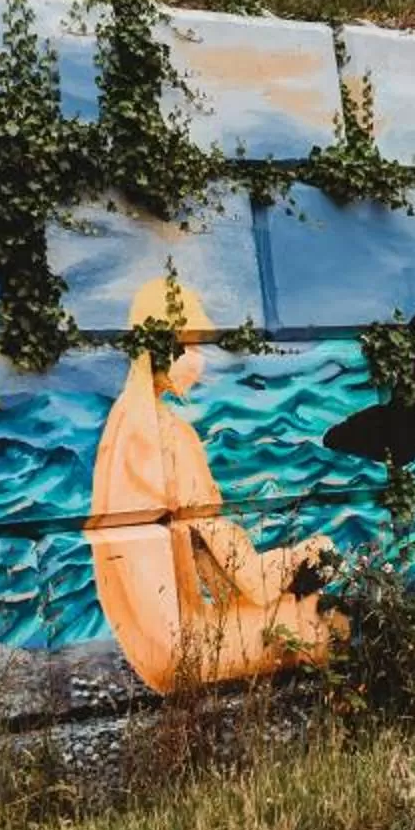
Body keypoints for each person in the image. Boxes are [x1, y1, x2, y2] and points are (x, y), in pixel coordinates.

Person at [88, 279, 337, 693]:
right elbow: (246, 575)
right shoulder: (169, 434)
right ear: (168, 348)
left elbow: (212, 568)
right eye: (196, 347)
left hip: (146, 654)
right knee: (327, 622)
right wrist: (307, 556)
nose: (202, 363)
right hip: (184, 651)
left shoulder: (121, 424)